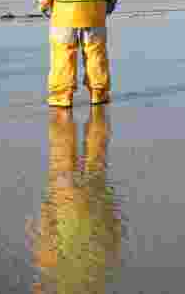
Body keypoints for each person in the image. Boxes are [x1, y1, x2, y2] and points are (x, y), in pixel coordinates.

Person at [34, 107, 121, 292]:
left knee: (68, 168)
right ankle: (86, 100)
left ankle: (67, 105)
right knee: (90, 167)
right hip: (86, 234)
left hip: (76, 226)